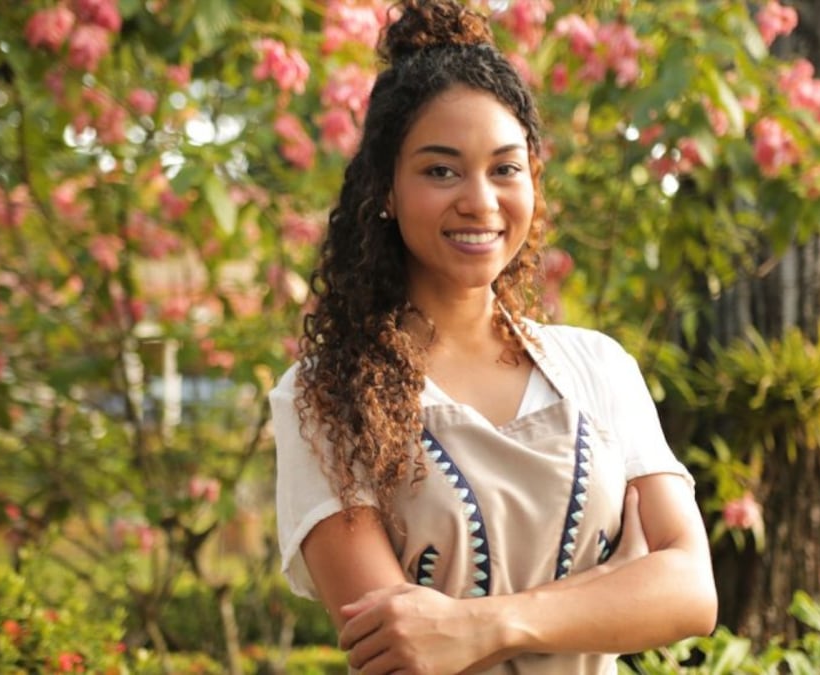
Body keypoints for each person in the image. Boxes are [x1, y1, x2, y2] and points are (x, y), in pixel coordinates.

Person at [269, 1, 717, 672]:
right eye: (441, 170)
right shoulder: (325, 395)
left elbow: (690, 591)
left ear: (533, 180)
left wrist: (483, 622)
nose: (479, 200)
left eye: (505, 168)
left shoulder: (597, 366)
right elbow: (403, 647)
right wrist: (610, 588)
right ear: (385, 189)